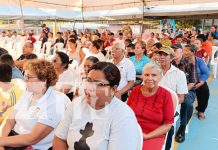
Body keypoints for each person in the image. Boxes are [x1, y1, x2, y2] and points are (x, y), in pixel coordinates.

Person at [53, 62, 140, 150]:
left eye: (99, 84)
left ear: (113, 89)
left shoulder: (123, 116)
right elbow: (60, 138)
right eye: (89, 81)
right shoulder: (77, 103)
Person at [0, 60, 70, 149]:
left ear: (43, 80)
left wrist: (1, 142)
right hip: (10, 138)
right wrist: (1, 144)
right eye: (25, 76)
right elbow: (9, 121)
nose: (25, 81)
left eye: (29, 77)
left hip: (31, 146)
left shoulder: (56, 102)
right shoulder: (28, 93)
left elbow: (32, 138)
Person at [127, 62, 174, 150]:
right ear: (142, 76)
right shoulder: (135, 90)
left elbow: (167, 125)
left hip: (153, 134)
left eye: (154, 75)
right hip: (131, 130)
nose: (149, 78)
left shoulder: (166, 95)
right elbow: (127, 113)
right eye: (146, 75)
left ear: (160, 77)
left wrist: (147, 136)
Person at [183, 44, 210, 120]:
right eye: (184, 50)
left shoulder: (199, 60)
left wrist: (201, 82)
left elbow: (206, 72)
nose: (184, 52)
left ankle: (201, 111)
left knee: (204, 91)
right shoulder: (181, 61)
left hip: (198, 81)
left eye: (187, 50)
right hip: (186, 82)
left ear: (193, 52)